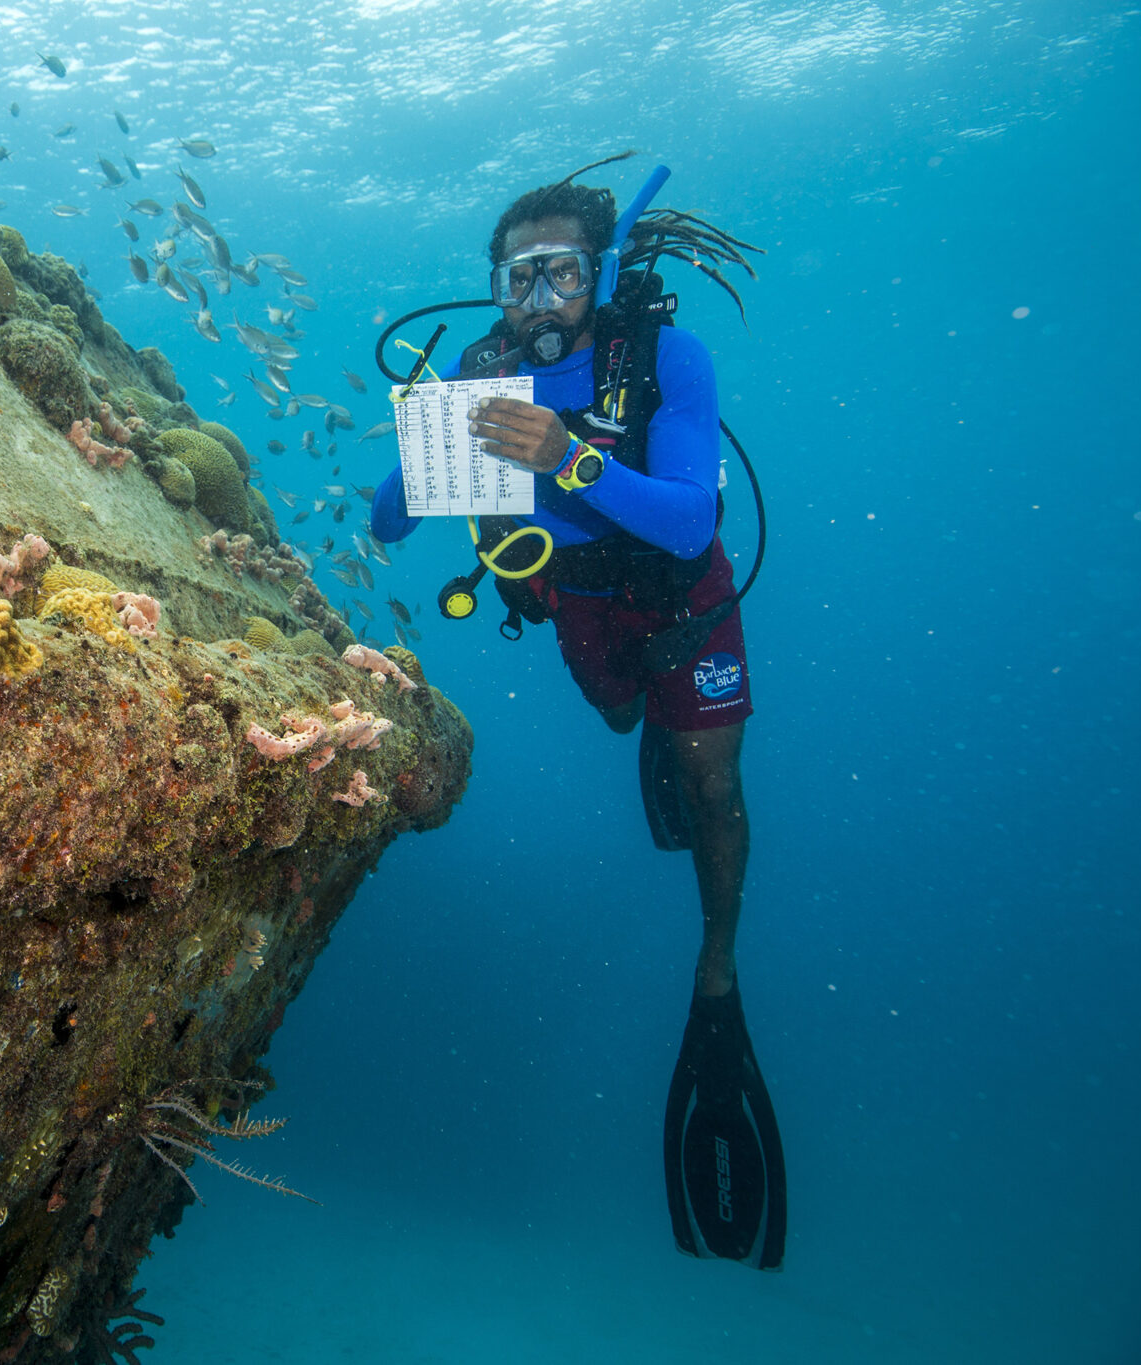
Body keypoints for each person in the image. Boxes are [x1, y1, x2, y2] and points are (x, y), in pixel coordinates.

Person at [369, 158, 787, 1269]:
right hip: (580, 611)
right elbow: (389, 525)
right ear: (495, 288)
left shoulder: (660, 357)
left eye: (561, 274)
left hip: (684, 607)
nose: (540, 300)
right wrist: (418, 454)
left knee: (712, 785)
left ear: (599, 274)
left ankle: (716, 963)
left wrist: (566, 454)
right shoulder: (481, 369)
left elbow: (687, 523)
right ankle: (651, 727)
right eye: (519, 278)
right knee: (617, 724)